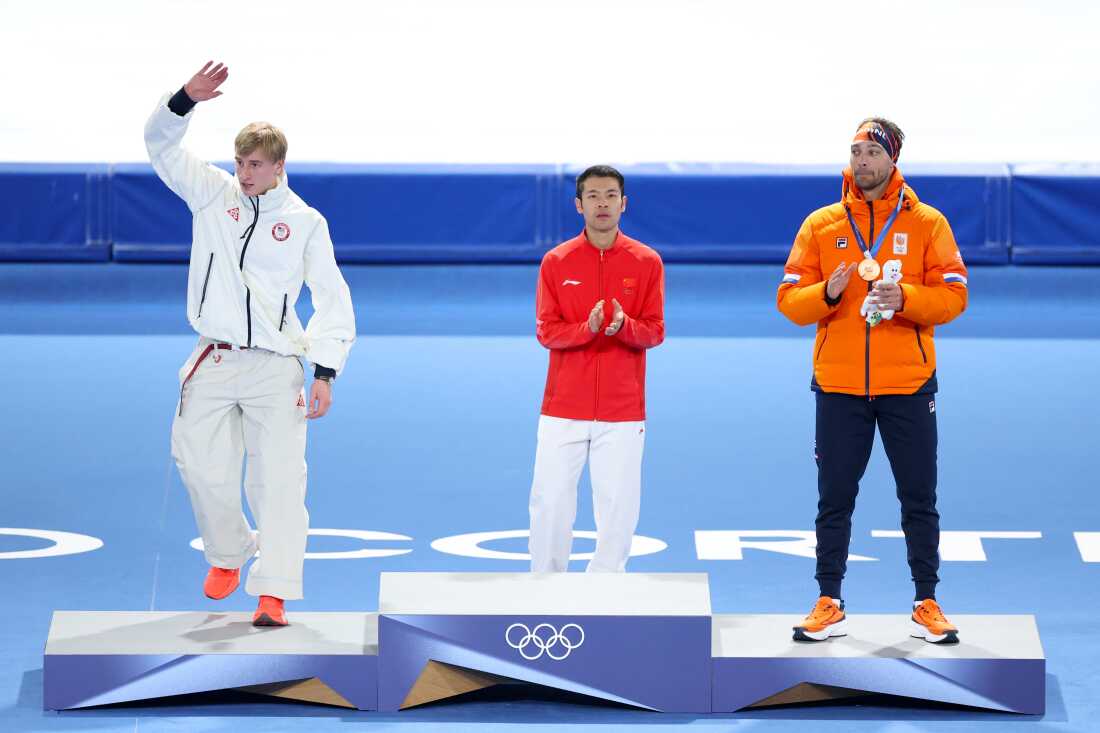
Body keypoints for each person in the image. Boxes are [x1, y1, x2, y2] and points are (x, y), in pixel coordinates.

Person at [145, 61, 356, 626]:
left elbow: (333, 299)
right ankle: (230, 551)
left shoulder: (306, 222)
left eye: (255, 164)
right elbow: (159, 148)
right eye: (239, 162)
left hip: (276, 367)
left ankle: (275, 591)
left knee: (280, 482)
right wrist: (184, 99)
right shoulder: (212, 195)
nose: (243, 172)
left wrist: (325, 371)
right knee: (199, 467)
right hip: (213, 358)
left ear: (279, 167)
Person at [777, 118, 969, 644]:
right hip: (839, 386)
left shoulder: (928, 223)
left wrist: (905, 297)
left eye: (872, 153)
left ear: (892, 160)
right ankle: (828, 600)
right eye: (856, 151)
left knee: (918, 497)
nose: (861, 161)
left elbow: (955, 295)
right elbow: (788, 300)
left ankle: (927, 600)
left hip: (908, 384)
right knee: (834, 497)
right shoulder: (821, 224)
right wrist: (829, 296)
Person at [528, 165, 665, 573]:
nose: (602, 204)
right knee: (550, 502)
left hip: (622, 411)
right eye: (593, 196)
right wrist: (584, 331)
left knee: (618, 506)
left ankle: (606, 593)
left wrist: (625, 327)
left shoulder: (647, 262)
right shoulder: (556, 262)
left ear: (624, 204)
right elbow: (546, 332)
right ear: (578, 204)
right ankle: (545, 589)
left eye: (610, 196)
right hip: (563, 408)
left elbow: (655, 331)